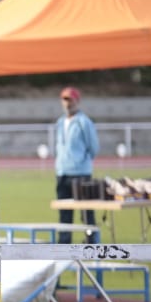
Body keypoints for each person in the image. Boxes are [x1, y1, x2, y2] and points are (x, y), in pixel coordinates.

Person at [54, 86, 99, 244]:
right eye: (64, 99)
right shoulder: (60, 122)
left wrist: (81, 162)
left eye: (70, 99)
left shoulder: (84, 122)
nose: (67, 103)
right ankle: (64, 247)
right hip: (63, 173)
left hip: (81, 174)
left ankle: (91, 244)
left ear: (77, 101)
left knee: (86, 212)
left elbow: (93, 147)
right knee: (64, 214)